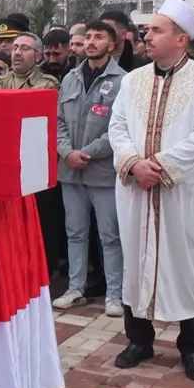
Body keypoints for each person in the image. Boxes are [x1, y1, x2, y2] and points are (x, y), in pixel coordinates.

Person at [108, 0, 194, 381]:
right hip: (136, 191)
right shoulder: (132, 80)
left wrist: (161, 166)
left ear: (181, 37)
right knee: (135, 264)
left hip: (181, 194)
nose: (147, 35)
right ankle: (139, 341)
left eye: (157, 30)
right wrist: (134, 164)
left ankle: (192, 348)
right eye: (148, 29)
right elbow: (117, 128)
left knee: (186, 266)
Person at [51, 21, 127, 316]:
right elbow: (58, 121)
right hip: (70, 169)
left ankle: (114, 294)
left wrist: (89, 152)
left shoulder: (123, 81)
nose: (92, 42)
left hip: (102, 171)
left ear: (112, 43)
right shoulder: (71, 78)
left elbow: (120, 127)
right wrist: (67, 152)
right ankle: (75, 288)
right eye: (89, 37)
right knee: (75, 232)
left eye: (99, 37)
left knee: (110, 235)